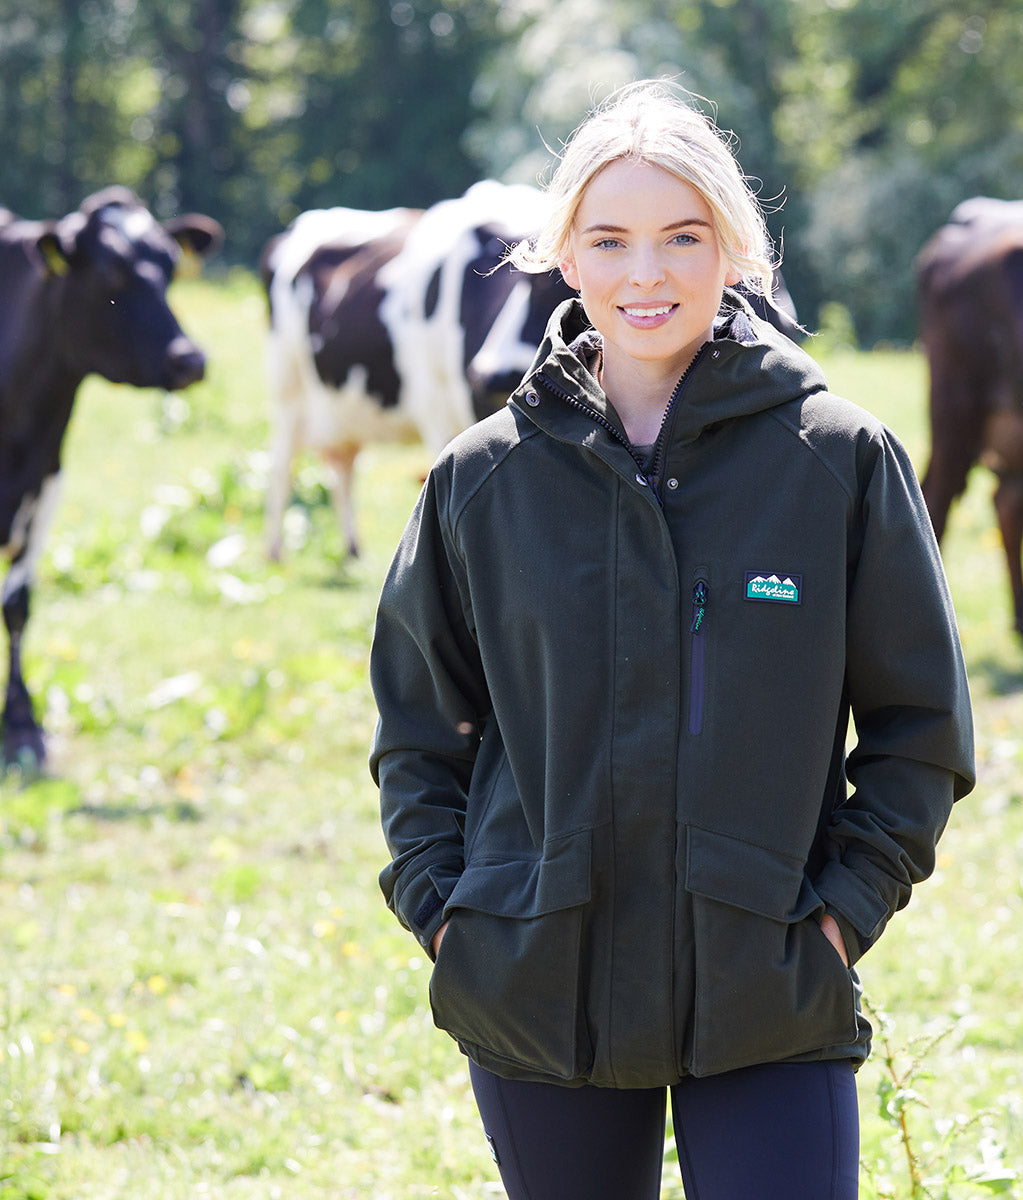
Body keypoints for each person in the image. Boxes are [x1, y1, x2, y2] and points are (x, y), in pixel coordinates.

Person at [369, 79, 975, 1200]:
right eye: (610, 239)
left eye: (682, 238)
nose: (646, 274)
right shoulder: (482, 478)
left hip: (770, 988)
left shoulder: (837, 459)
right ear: (566, 254)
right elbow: (421, 728)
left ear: (735, 251)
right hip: (535, 982)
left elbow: (919, 729)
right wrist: (452, 917)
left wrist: (839, 919)